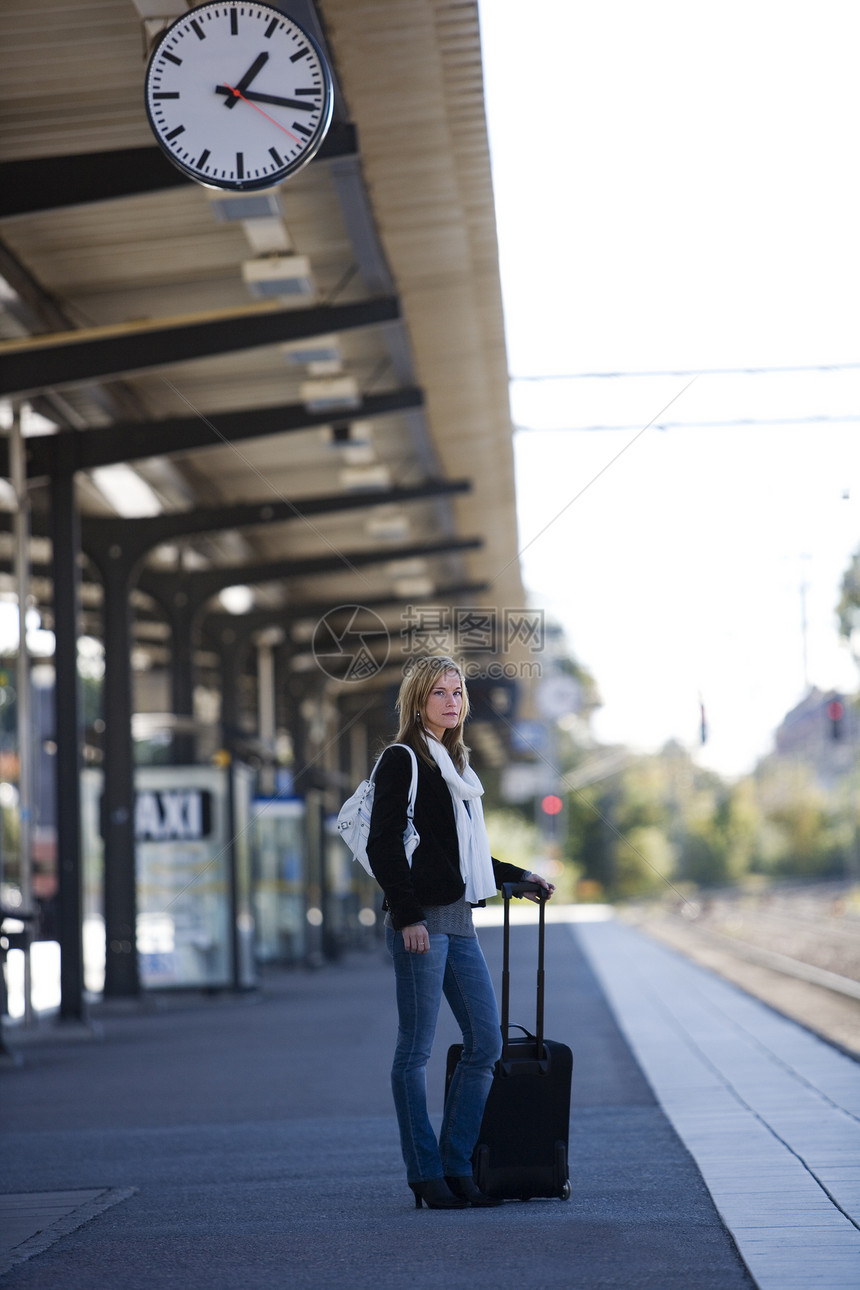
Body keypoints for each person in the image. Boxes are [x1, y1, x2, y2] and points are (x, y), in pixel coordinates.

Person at [367, 655, 555, 1210]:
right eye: (439, 692)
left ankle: (456, 1165)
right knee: (415, 1051)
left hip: (458, 921)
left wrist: (516, 876)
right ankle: (424, 1173)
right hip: (422, 923)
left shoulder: (458, 769)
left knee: (486, 1043)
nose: (451, 701)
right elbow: (383, 843)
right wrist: (407, 915)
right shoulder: (403, 760)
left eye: (457, 692)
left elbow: (460, 857)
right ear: (417, 700)